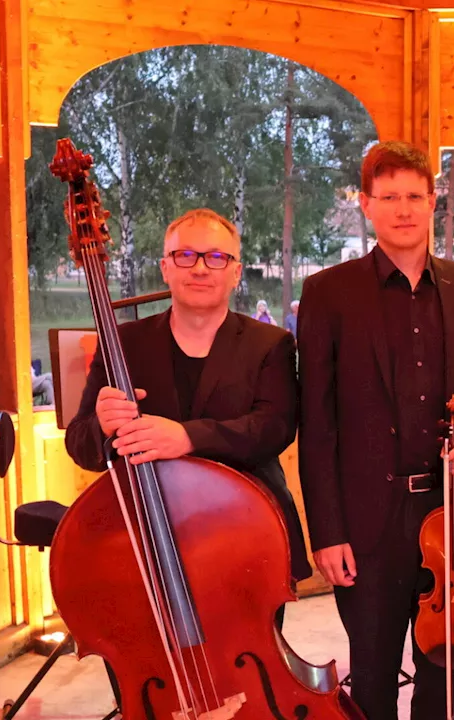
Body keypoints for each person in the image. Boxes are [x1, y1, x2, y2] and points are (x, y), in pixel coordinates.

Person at [297, 141, 454, 720]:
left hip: (452, 518)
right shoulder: (328, 293)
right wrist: (328, 531)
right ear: (366, 204)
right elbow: (316, 424)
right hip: (366, 524)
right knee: (371, 675)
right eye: (388, 196)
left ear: (433, 201)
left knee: (447, 675)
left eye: (414, 196)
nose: (402, 209)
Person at [64, 208, 312, 619]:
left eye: (217, 257)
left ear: (235, 272)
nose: (200, 268)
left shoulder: (271, 343)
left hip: (249, 534)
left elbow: (275, 428)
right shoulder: (123, 341)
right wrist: (102, 426)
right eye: (185, 256)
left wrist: (187, 437)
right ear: (165, 267)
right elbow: (80, 442)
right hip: (147, 539)